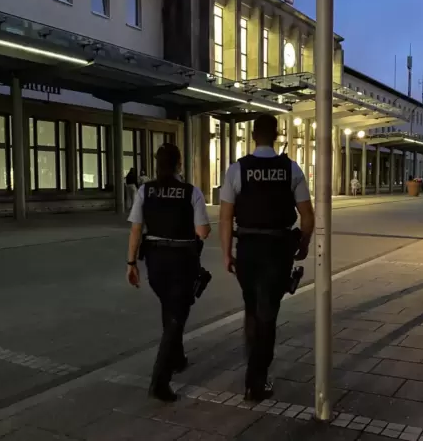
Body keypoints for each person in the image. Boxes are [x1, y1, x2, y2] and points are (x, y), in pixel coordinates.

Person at [219, 114, 314, 402]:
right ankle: (255, 380)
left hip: (247, 249)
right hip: (278, 249)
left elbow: (225, 217)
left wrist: (226, 253)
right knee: (268, 314)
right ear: (276, 135)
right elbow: (307, 216)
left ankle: (255, 365)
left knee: (252, 308)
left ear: (252, 135)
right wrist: (304, 244)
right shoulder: (291, 169)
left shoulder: (237, 170)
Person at [126, 144, 211, 402]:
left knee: (169, 308)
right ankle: (159, 382)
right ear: (179, 164)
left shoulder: (145, 190)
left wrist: (131, 263)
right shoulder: (190, 192)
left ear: (157, 164)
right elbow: (202, 232)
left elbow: (136, 230)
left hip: (155, 263)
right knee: (176, 318)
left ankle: (178, 358)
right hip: (182, 262)